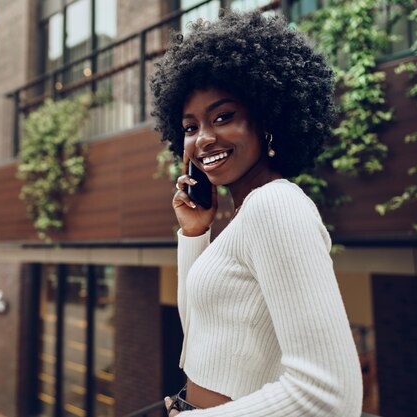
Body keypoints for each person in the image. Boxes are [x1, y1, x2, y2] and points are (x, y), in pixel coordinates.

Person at [149, 9, 363, 417]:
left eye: (223, 117)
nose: (203, 139)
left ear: (266, 120)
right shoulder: (244, 218)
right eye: (190, 127)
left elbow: (329, 395)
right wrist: (195, 234)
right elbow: (197, 338)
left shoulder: (275, 205)